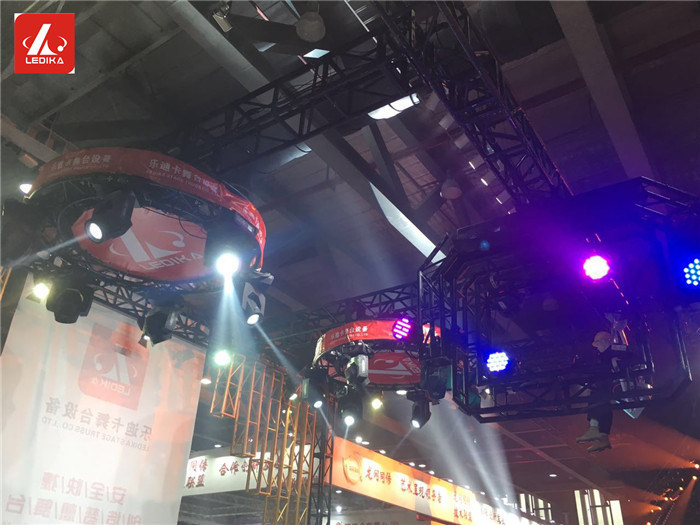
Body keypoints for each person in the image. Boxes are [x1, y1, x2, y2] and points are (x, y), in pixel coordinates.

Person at [575, 331, 626, 453]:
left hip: (614, 384)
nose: (597, 346)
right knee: (602, 403)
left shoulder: (612, 353)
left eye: (598, 342)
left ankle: (594, 429)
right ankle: (602, 437)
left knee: (597, 396)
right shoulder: (604, 356)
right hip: (611, 385)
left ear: (606, 341)